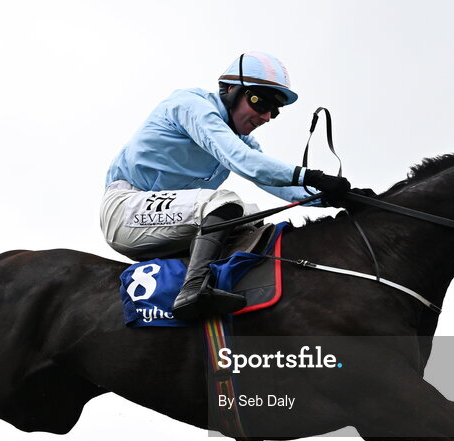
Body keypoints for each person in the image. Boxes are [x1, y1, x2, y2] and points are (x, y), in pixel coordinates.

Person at [101, 52, 354, 321]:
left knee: (253, 218)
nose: (266, 116)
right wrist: (313, 176)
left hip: (169, 220)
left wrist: (335, 198)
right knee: (223, 203)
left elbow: (273, 181)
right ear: (231, 91)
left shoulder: (239, 138)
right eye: (261, 102)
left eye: (274, 111)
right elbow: (245, 162)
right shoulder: (191, 105)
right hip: (125, 211)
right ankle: (193, 290)